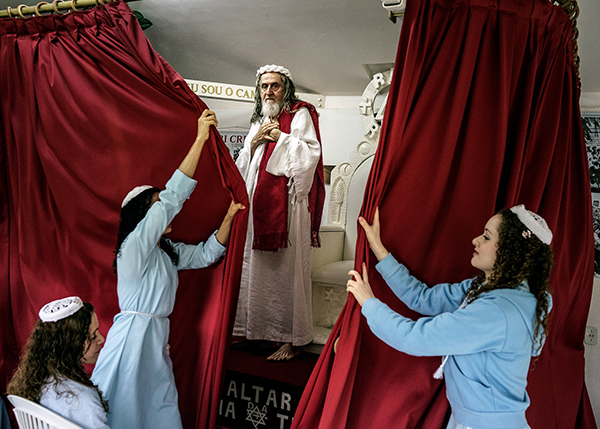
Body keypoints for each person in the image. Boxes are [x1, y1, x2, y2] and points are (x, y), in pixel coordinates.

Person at [90, 110, 244, 429]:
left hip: (155, 339)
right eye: (156, 206)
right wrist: (200, 138)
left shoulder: (166, 253)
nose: (164, 210)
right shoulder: (133, 248)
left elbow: (204, 255)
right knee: (123, 414)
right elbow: (172, 199)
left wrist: (230, 218)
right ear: (143, 217)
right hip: (131, 344)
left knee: (159, 411)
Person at [346, 205, 553, 429]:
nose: (475, 240)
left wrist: (368, 302)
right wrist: (379, 250)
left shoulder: (499, 312)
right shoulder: (485, 288)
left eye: (486, 236)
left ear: (511, 251)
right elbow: (422, 298)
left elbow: (416, 338)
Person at [233, 64, 325, 361]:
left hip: (289, 207)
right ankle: (255, 331)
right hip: (256, 209)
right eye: (264, 87)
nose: (269, 91)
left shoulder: (300, 114)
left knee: (287, 271)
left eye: (275, 86)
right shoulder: (258, 119)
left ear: (285, 88)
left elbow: (310, 153)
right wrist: (257, 140)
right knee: (254, 268)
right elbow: (245, 163)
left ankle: (290, 337)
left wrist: (281, 139)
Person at [8, 296, 109, 429]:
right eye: (93, 336)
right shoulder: (82, 399)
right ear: (71, 343)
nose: (101, 339)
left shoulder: (37, 381)